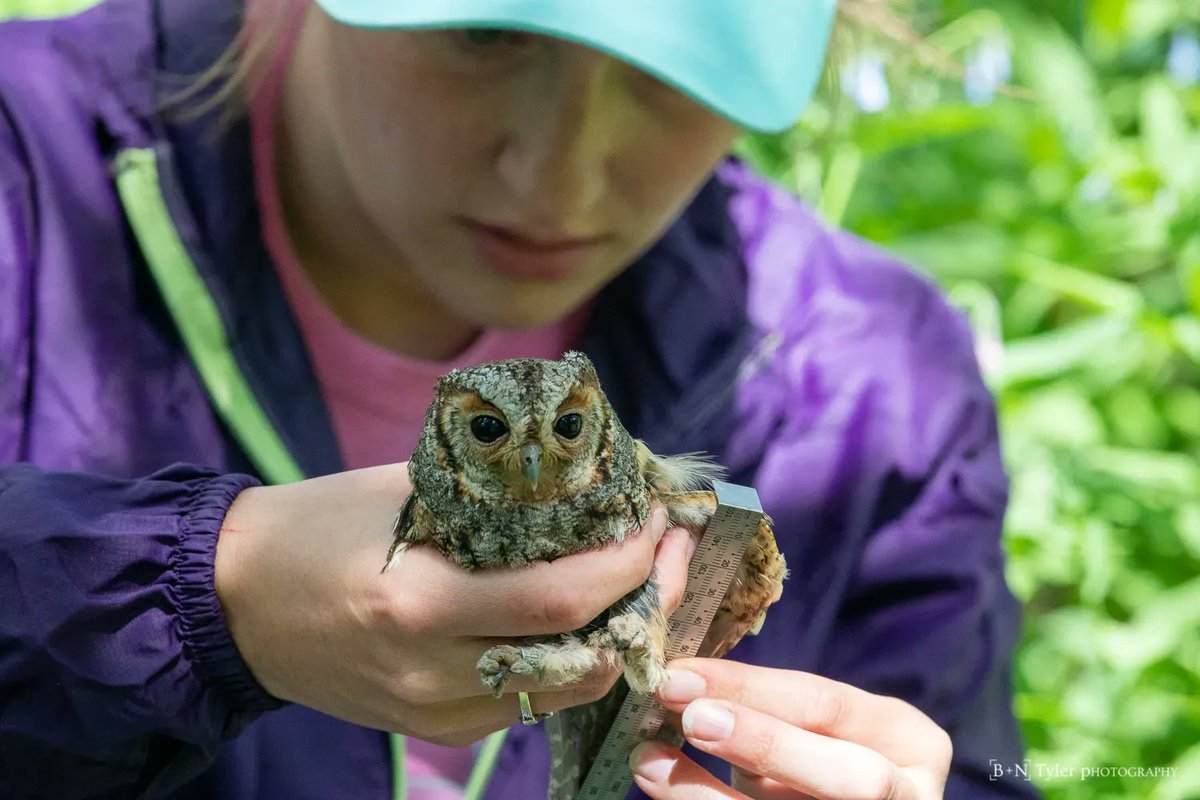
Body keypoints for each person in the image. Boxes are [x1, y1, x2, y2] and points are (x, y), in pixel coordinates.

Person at [0, 0, 1039, 798]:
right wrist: (208, 598)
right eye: (487, 36)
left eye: (673, 60)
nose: (561, 176)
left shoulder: (871, 385)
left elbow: (964, 757)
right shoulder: (31, 180)